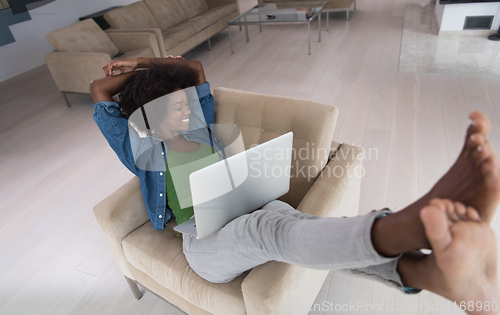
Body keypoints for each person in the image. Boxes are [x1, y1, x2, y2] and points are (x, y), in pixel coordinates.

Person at [91, 57, 500, 314]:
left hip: (243, 205)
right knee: (266, 229)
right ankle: (408, 224)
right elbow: (99, 91)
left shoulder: (198, 128)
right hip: (202, 243)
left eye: (187, 102)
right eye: (178, 105)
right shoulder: (140, 148)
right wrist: (139, 75)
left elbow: (193, 69)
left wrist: (145, 61)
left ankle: (427, 273)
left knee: (292, 220)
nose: (189, 109)